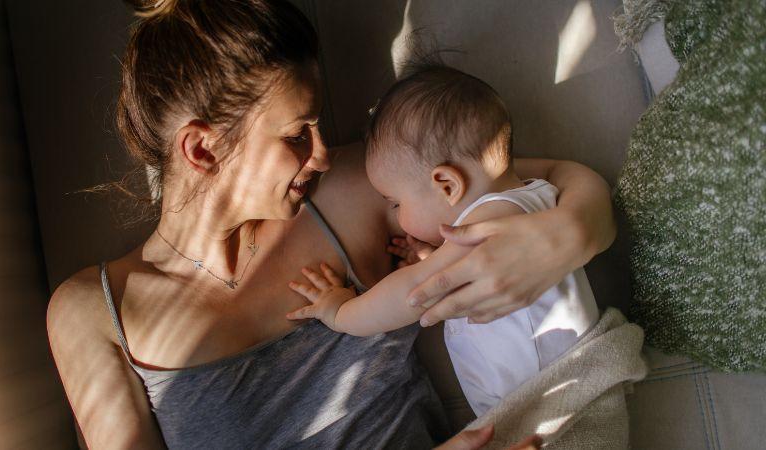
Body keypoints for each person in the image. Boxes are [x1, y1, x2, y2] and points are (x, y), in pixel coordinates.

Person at [45, 0, 616, 448]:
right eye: (296, 135)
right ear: (201, 148)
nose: (320, 154)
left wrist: (563, 238)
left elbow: (550, 183)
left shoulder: (352, 186)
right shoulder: (94, 313)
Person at [287, 64, 600, 417]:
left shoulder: (491, 228)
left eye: (396, 203)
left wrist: (340, 311)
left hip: (554, 410)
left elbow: (411, 294)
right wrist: (434, 257)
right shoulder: (539, 195)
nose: (396, 214)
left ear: (447, 185)